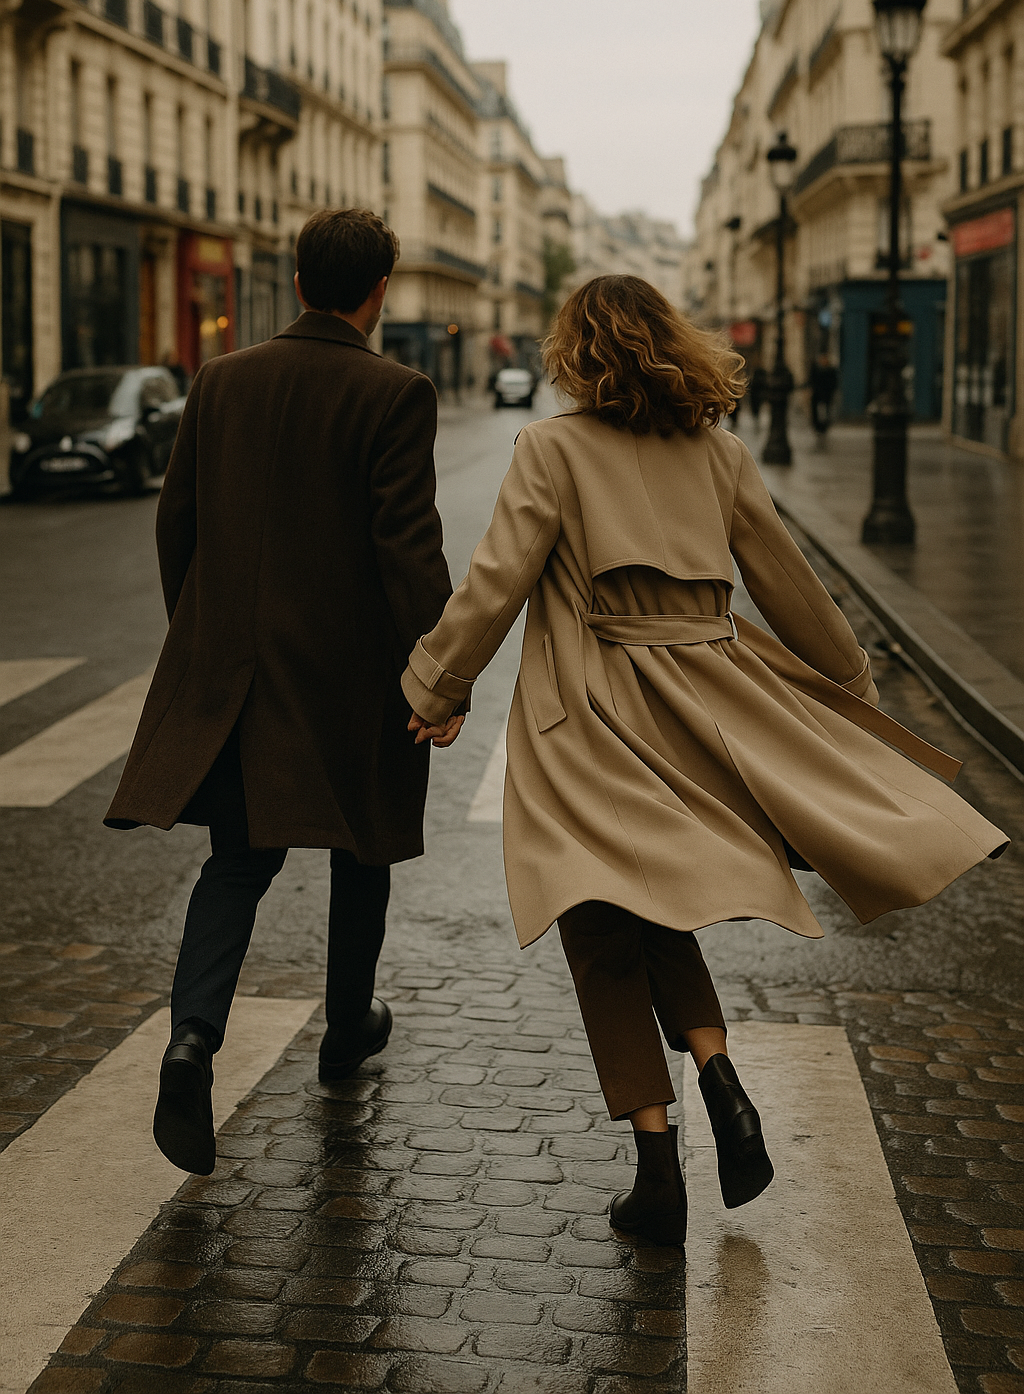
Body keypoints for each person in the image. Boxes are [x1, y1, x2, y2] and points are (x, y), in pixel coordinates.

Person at [401, 274, 1009, 1247]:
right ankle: (719, 1080)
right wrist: (852, 685)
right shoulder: (719, 454)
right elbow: (788, 580)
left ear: (575, 354)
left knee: (599, 919)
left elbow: (495, 584)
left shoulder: (549, 449)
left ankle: (656, 1162)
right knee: (657, 903)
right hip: (698, 706)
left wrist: (435, 688)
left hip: (588, 715)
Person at [105, 209, 463, 1175]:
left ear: (300, 279)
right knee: (362, 852)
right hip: (351, 680)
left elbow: (174, 526)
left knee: (236, 862)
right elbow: (408, 551)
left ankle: (191, 1039)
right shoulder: (396, 391)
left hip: (239, 675)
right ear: (379, 289)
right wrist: (438, 670)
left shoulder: (220, 380)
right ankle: (346, 1030)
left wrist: (207, 635)